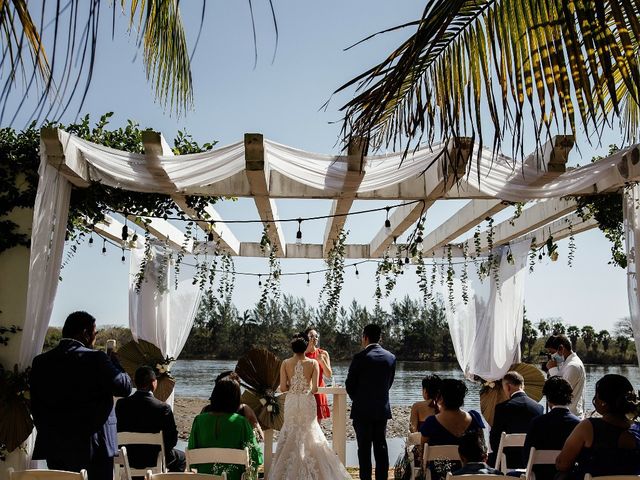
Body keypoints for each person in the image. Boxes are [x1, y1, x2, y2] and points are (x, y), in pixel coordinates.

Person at [30, 311, 132, 480]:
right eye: (94, 333)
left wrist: (49, 432)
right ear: (85, 333)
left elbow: (36, 405)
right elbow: (124, 388)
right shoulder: (97, 358)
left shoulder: (41, 362)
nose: (94, 339)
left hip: (55, 446)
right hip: (94, 447)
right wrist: (116, 364)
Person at [269, 334, 351, 479]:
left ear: (292, 348)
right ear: (305, 347)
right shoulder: (313, 363)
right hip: (307, 400)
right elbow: (314, 389)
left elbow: (282, 388)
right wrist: (305, 387)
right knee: (311, 431)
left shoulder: (285, 363)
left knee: (291, 431)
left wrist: (293, 386)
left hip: (292, 401)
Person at [556, 374, 640, 479]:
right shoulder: (638, 430)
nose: (594, 399)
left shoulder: (588, 427)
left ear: (603, 402)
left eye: (596, 395)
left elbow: (562, 464)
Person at [346, 324, 396, 480]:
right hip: (381, 409)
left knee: (364, 448)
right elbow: (389, 382)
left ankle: (366, 478)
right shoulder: (390, 357)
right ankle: (382, 478)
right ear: (379, 337)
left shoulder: (360, 358)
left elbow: (350, 385)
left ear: (365, 337)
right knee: (381, 445)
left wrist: (359, 399)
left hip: (362, 410)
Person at [188, 377, 263, 480]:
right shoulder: (241, 422)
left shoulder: (198, 420)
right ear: (236, 398)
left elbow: (192, 452)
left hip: (205, 476)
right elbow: (255, 456)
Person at [115, 366, 186, 473]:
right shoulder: (163, 408)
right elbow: (172, 440)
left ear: (135, 382)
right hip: (153, 459)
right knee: (181, 458)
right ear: (153, 383)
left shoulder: (121, 404)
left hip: (127, 457)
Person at [420, 378, 485, 480]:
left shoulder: (431, 422)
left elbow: (423, 452)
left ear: (440, 398)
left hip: (439, 475)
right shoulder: (474, 417)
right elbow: (482, 446)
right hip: (468, 475)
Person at [523, 376, 580, 480]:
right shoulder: (578, 424)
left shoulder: (537, 423)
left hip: (540, 476)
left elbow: (526, 458)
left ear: (548, 398)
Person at [489, 371, 543, 468]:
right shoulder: (538, 407)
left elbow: (494, 441)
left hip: (507, 460)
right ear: (523, 386)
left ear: (508, 387)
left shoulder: (502, 408)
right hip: (530, 461)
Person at [203, 370, 264, 441]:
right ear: (236, 391)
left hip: (208, 451)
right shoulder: (244, 410)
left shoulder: (205, 410)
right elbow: (260, 436)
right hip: (238, 451)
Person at [545, 335, 586, 417]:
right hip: (564, 415)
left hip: (571, 415)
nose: (552, 356)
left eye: (553, 352)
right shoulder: (566, 363)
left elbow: (561, 391)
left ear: (561, 348)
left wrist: (552, 369)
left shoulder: (573, 366)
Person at [304, 327, 332, 421]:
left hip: (319, 390)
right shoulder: (302, 354)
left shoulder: (323, 353)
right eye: (311, 336)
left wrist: (322, 362)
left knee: (318, 425)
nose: (315, 338)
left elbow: (328, 375)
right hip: (306, 392)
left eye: (316, 336)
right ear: (306, 338)